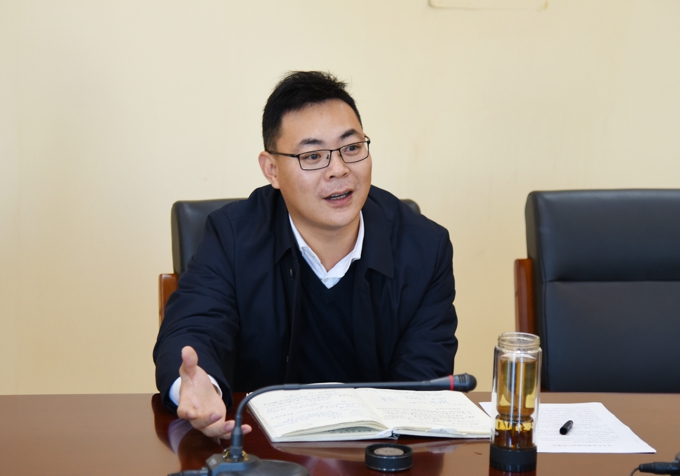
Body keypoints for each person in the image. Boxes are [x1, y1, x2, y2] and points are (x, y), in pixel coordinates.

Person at [153, 71, 458, 439]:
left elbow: (422, 383)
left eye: (351, 148)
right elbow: (194, 325)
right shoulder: (232, 236)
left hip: (377, 454)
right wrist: (198, 386)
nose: (338, 170)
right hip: (257, 448)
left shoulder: (424, 247)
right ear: (272, 170)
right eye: (313, 155)